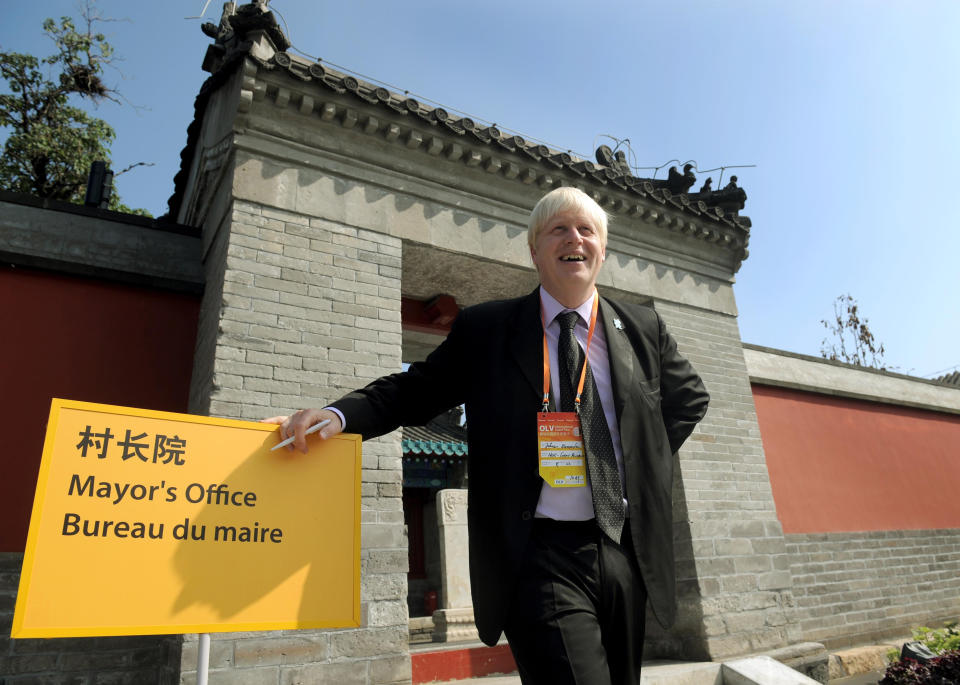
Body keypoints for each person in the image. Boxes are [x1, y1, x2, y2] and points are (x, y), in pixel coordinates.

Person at [267, 186, 709, 684]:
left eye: (587, 230)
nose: (575, 239)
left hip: (622, 544)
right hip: (537, 550)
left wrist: (639, 462)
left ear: (603, 250)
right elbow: (414, 390)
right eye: (558, 229)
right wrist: (340, 415)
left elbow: (690, 398)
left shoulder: (642, 328)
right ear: (534, 249)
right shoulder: (489, 329)